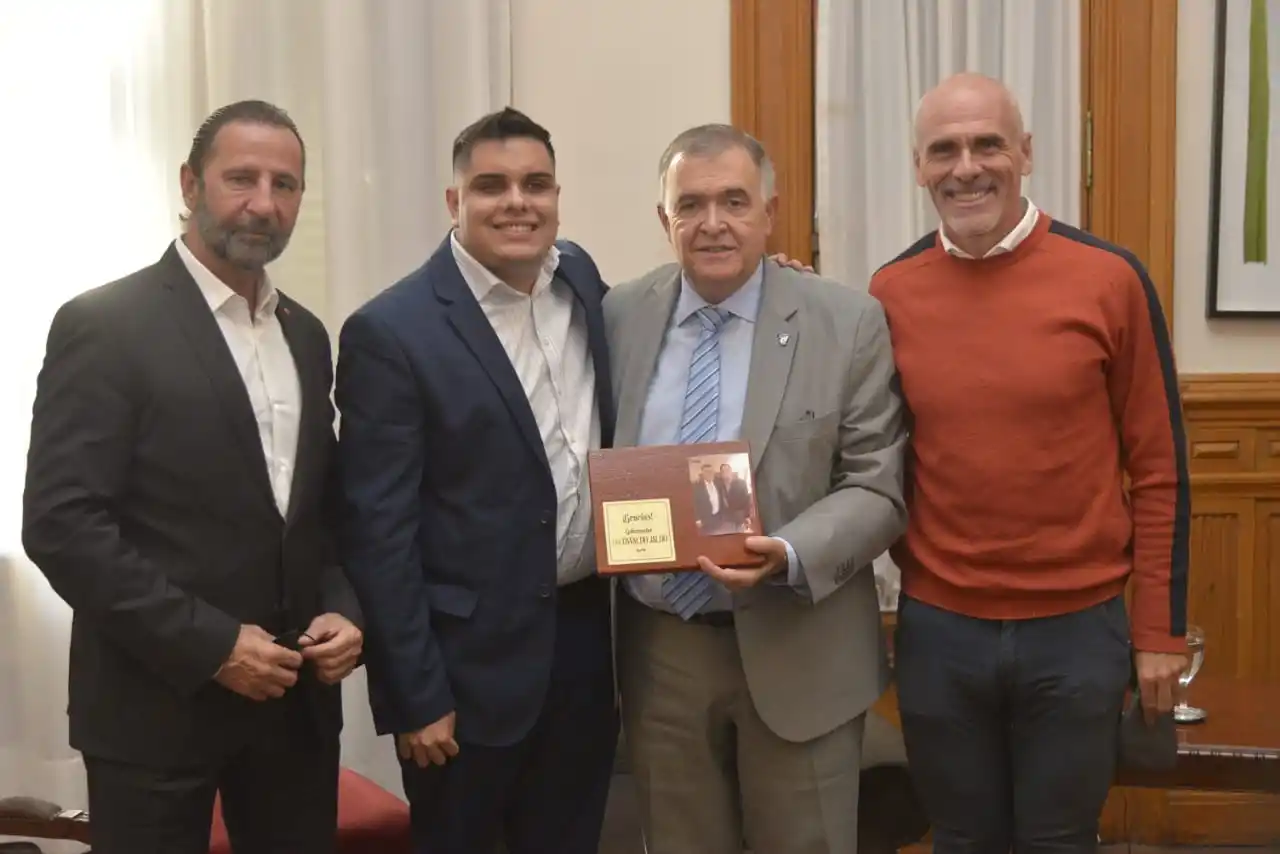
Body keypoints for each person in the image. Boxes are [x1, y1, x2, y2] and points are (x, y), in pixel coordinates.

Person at [22, 99, 364, 854]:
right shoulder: (104, 324)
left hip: (294, 712)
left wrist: (345, 609)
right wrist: (214, 647)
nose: (264, 203)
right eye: (242, 178)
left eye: (285, 184)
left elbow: (318, 512)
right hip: (153, 711)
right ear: (189, 183)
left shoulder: (306, 335)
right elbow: (61, 525)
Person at [869, 72, 1190, 853]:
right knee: (961, 839)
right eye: (943, 150)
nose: (966, 168)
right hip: (940, 630)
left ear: (1027, 153)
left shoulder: (1110, 277)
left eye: (988, 145)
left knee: (1060, 841)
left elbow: (1160, 470)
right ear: (918, 167)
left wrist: (1159, 632)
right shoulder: (889, 292)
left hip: (1077, 633)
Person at [605, 123, 909, 854]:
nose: (713, 223)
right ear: (664, 219)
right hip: (662, 655)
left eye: (734, 202)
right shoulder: (617, 316)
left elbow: (878, 485)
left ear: (769, 213)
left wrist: (790, 552)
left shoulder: (846, 321)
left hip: (799, 643)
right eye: (691, 204)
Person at [334, 107, 618, 854]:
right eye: (491, 186)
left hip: (586, 651)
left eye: (535, 184)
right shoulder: (391, 332)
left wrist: (775, 280)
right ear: (454, 201)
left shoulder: (583, 283)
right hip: (464, 678)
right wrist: (414, 695)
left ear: (557, 196)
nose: (517, 202)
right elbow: (377, 532)